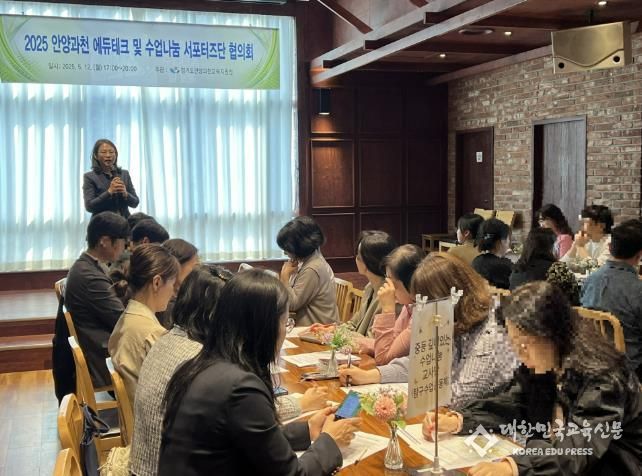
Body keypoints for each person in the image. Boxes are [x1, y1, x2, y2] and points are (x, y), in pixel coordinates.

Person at [422, 281, 642, 476]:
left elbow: (579, 448)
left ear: (553, 333)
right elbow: (516, 402)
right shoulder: (547, 363)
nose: (520, 353)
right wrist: (460, 420)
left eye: (524, 344)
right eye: (514, 343)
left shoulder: (603, 378)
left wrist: (514, 467)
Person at [131, 265, 330, 476]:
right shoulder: (233, 380)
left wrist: (306, 430)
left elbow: (245, 433)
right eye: (285, 322)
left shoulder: (197, 357)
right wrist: (329, 441)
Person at [340, 252, 518, 409]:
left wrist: (405, 400)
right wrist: (371, 376)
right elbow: (422, 362)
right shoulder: (452, 319)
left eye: (426, 302)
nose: (421, 310)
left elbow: (461, 395)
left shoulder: (490, 332)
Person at [64, 211, 129, 388]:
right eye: (122, 241)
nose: (124, 247)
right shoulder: (90, 277)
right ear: (105, 241)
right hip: (103, 360)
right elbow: (122, 320)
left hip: (97, 347)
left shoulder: (86, 266)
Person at [108, 244, 179, 403]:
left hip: (136, 409)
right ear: (157, 282)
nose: (174, 293)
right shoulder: (150, 332)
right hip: (147, 414)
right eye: (173, 284)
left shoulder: (129, 316)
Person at [581, 219, 642, 379]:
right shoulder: (637, 289)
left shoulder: (589, 281)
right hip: (628, 369)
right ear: (639, 255)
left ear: (609, 247)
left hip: (591, 362)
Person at [356, 245, 425, 364]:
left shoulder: (422, 314)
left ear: (412, 284)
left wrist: (387, 310)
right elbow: (391, 344)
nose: (389, 287)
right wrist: (370, 345)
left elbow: (383, 359)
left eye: (393, 283)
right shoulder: (409, 306)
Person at [277, 216, 339, 325]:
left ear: (301, 246)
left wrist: (285, 277)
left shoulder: (312, 268)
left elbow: (292, 304)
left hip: (319, 330)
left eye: (287, 248)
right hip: (309, 326)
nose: (285, 253)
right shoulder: (308, 260)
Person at [346, 231, 397, 336]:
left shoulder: (389, 294)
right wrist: (332, 331)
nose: (356, 259)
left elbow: (373, 339)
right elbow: (354, 323)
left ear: (368, 263)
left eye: (358, 257)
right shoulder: (370, 287)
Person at [83, 139, 139, 217]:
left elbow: (135, 203)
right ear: (96, 156)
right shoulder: (89, 177)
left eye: (112, 152)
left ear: (116, 155)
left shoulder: (124, 174)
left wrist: (126, 194)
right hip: (102, 222)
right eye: (103, 152)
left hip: (125, 221)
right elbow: (89, 207)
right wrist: (109, 192)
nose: (108, 155)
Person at [156, 238, 200, 328]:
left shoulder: (183, 296)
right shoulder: (166, 306)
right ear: (176, 265)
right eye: (195, 266)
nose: (199, 272)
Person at [472, 218, 513, 289]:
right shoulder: (506, 266)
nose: (509, 242)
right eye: (508, 238)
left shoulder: (476, 261)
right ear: (501, 241)